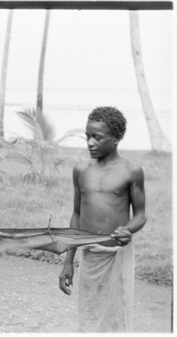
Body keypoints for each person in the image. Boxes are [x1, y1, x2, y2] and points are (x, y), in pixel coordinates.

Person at [58, 106, 146, 332]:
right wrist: (69, 262)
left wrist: (128, 230)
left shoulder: (131, 171)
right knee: (89, 314)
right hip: (90, 255)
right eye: (87, 136)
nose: (90, 143)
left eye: (97, 137)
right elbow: (77, 215)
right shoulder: (81, 171)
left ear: (116, 138)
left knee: (117, 317)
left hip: (117, 254)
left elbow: (140, 215)